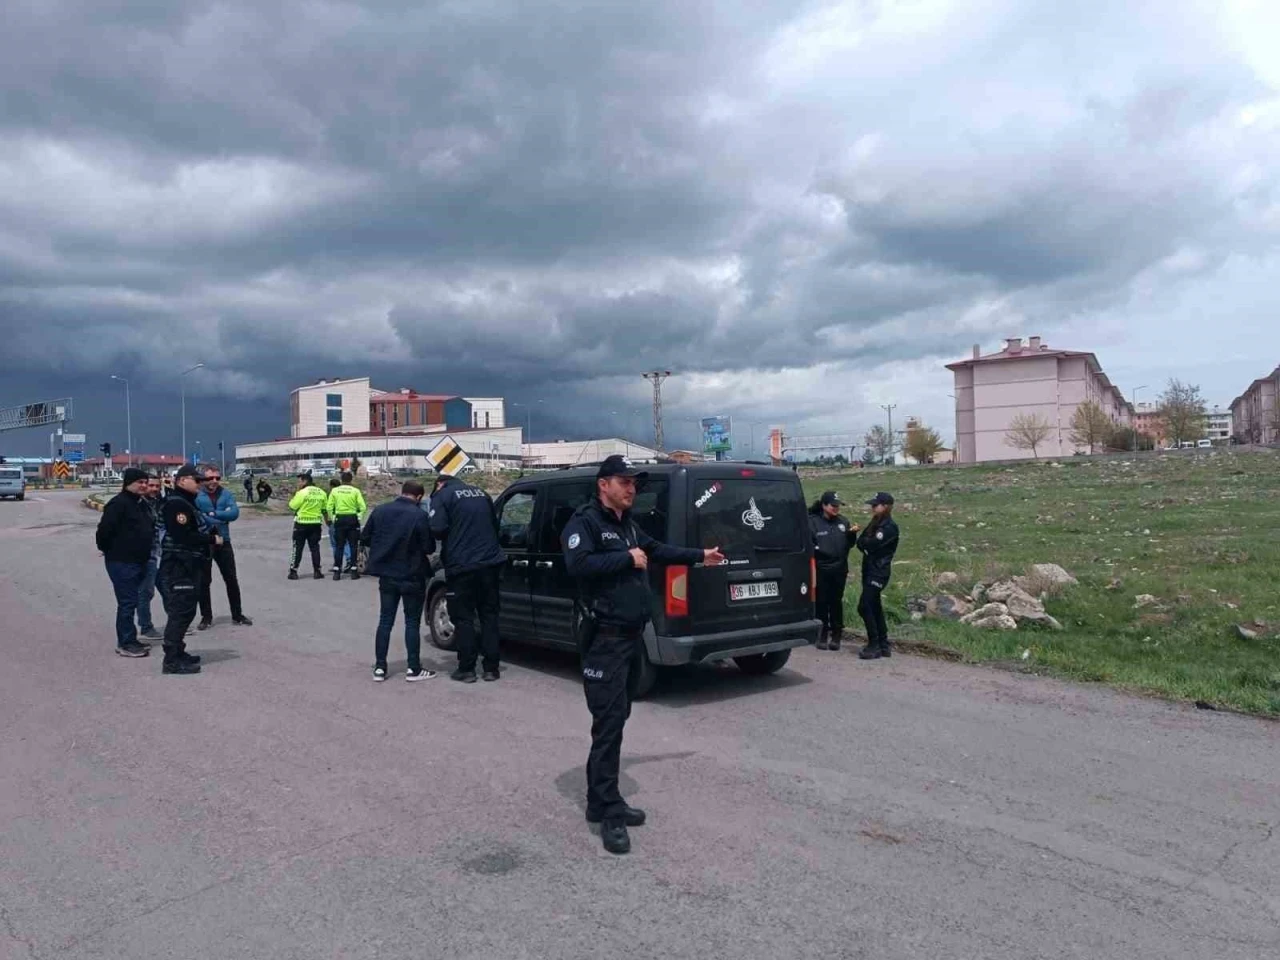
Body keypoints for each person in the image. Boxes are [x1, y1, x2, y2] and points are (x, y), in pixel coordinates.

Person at [561, 455, 726, 855]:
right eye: (625, 482)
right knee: (608, 724)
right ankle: (609, 812)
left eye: (635, 483)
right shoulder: (585, 523)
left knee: (617, 719)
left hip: (629, 638)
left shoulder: (629, 525)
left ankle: (600, 802)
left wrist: (700, 556)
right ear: (604, 485)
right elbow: (577, 564)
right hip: (604, 640)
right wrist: (626, 558)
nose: (632, 489)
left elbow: (658, 549)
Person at [429, 470, 506, 683]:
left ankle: (467, 668)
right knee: (489, 615)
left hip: (462, 565)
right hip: (490, 563)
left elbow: (437, 528)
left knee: (463, 617)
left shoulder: (443, 495)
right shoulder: (481, 492)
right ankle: (491, 668)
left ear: (439, 484)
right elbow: (495, 525)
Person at [361, 480, 438, 682]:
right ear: (419, 497)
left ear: (402, 492)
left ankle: (380, 668)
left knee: (385, 620)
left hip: (387, 575)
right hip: (412, 575)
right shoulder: (419, 515)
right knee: (412, 622)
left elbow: (365, 537)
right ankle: (413, 668)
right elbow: (429, 547)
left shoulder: (380, 510)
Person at [158, 464, 220, 674]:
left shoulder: (186, 502)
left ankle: (178, 651)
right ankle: (171, 661)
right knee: (180, 611)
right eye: (197, 480)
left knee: (187, 610)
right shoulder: (177, 504)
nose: (200, 484)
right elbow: (182, 535)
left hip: (188, 563)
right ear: (182, 481)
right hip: (179, 564)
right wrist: (211, 539)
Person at [96, 468, 156, 658]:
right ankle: (125, 643)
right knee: (127, 603)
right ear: (128, 483)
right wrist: (110, 550)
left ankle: (131, 638)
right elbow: (103, 532)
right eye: (140, 482)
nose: (144, 485)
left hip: (140, 560)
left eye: (145, 482)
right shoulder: (118, 504)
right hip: (122, 562)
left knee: (135, 599)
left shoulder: (141, 503)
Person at [195, 466, 253, 628]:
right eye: (210, 478)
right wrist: (221, 516)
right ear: (203, 479)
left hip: (223, 540)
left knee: (231, 578)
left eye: (217, 478)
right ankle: (206, 617)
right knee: (204, 581)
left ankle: (237, 614)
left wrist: (212, 514)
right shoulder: (197, 495)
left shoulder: (226, 494)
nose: (214, 481)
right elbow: (198, 517)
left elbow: (234, 513)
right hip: (205, 541)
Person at [808, 491, 859, 651]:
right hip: (821, 569)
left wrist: (852, 535)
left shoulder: (843, 521)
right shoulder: (813, 522)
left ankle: (837, 635)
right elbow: (809, 544)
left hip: (839, 568)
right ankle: (822, 634)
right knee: (822, 602)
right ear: (824, 505)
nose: (836, 508)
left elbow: (850, 544)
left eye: (838, 505)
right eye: (833, 505)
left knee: (836, 601)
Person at [856, 492, 900, 661]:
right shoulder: (875, 522)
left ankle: (874, 644)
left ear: (885, 506)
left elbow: (872, 545)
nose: (873, 508)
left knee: (864, 606)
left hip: (878, 571)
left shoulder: (889, 527)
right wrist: (866, 544)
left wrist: (867, 544)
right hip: (869, 569)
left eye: (876, 505)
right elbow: (861, 543)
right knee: (874, 605)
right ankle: (883, 643)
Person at [135, 475, 166, 642]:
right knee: (146, 592)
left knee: (168, 589)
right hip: (147, 555)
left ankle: (176, 623)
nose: (154, 489)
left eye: (157, 486)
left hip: (161, 553)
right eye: (151, 485)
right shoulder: (138, 504)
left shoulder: (161, 503)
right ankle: (146, 626)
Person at [287, 471, 328, 580]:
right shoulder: (322, 493)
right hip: (315, 524)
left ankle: (293, 571)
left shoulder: (302, 492)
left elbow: (292, 506)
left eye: (299, 481)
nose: (298, 483)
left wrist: (297, 493)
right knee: (315, 548)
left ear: (305, 481)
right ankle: (317, 571)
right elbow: (325, 509)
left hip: (301, 524)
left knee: (297, 548)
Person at [326, 471, 367, 581]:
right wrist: (358, 517)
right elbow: (363, 507)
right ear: (351, 479)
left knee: (339, 545)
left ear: (341, 479)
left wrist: (333, 518)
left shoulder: (335, 490)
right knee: (353, 545)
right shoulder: (355, 491)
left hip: (339, 518)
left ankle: (337, 571)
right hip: (352, 518)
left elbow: (329, 507)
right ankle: (354, 571)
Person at [327, 478, 355, 573]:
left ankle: (337, 564)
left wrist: (330, 519)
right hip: (349, 519)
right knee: (347, 542)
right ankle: (350, 561)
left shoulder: (333, 494)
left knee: (335, 544)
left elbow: (329, 508)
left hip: (336, 521)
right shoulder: (349, 493)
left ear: (332, 486)